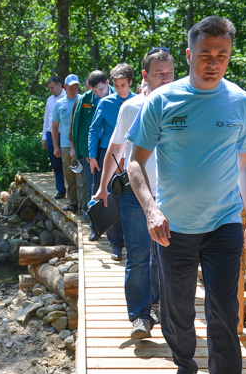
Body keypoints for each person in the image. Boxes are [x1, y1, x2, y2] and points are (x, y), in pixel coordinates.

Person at [127, 16, 246, 374]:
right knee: (177, 309)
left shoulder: (240, 102)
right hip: (173, 226)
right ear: (190, 55)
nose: (213, 63)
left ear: (230, 56)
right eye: (205, 55)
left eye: (222, 55)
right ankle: (184, 370)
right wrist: (151, 208)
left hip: (223, 224)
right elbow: (135, 162)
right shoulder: (162, 101)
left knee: (225, 311)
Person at [93, 48, 175, 338]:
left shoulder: (185, 105)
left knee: (165, 255)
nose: (165, 79)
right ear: (145, 76)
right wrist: (102, 187)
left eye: (170, 73)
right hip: (134, 195)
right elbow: (115, 149)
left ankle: (158, 305)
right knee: (139, 255)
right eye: (158, 74)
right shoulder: (132, 108)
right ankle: (140, 317)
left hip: (174, 196)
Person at [87, 63, 137, 259]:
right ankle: (115, 244)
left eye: (123, 85)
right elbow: (93, 130)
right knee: (110, 198)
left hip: (133, 158)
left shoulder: (140, 102)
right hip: (110, 157)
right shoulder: (105, 103)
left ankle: (133, 244)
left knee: (133, 200)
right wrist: (92, 156)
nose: (119, 89)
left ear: (130, 83)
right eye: (116, 85)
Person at [69, 71, 110, 221]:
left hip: (111, 149)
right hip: (91, 151)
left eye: (100, 89)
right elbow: (78, 127)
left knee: (111, 185)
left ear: (107, 83)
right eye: (94, 90)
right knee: (92, 184)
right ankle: (92, 219)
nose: (98, 93)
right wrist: (83, 152)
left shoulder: (117, 96)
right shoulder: (85, 100)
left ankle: (110, 219)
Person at [52, 74, 81, 210]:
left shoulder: (82, 101)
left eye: (76, 86)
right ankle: (73, 202)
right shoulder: (59, 104)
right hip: (64, 145)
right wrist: (55, 146)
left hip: (80, 146)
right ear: (65, 87)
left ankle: (83, 205)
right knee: (69, 175)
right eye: (71, 86)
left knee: (81, 176)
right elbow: (55, 126)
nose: (74, 89)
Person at [42, 76, 66, 199]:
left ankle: (72, 189)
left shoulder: (68, 97)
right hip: (51, 133)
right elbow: (46, 119)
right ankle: (61, 189)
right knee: (55, 162)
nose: (51, 90)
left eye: (52, 87)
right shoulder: (49, 100)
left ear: (59, 85)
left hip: (65, 134)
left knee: (68, 162)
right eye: (49, 88)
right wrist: (44, 137)